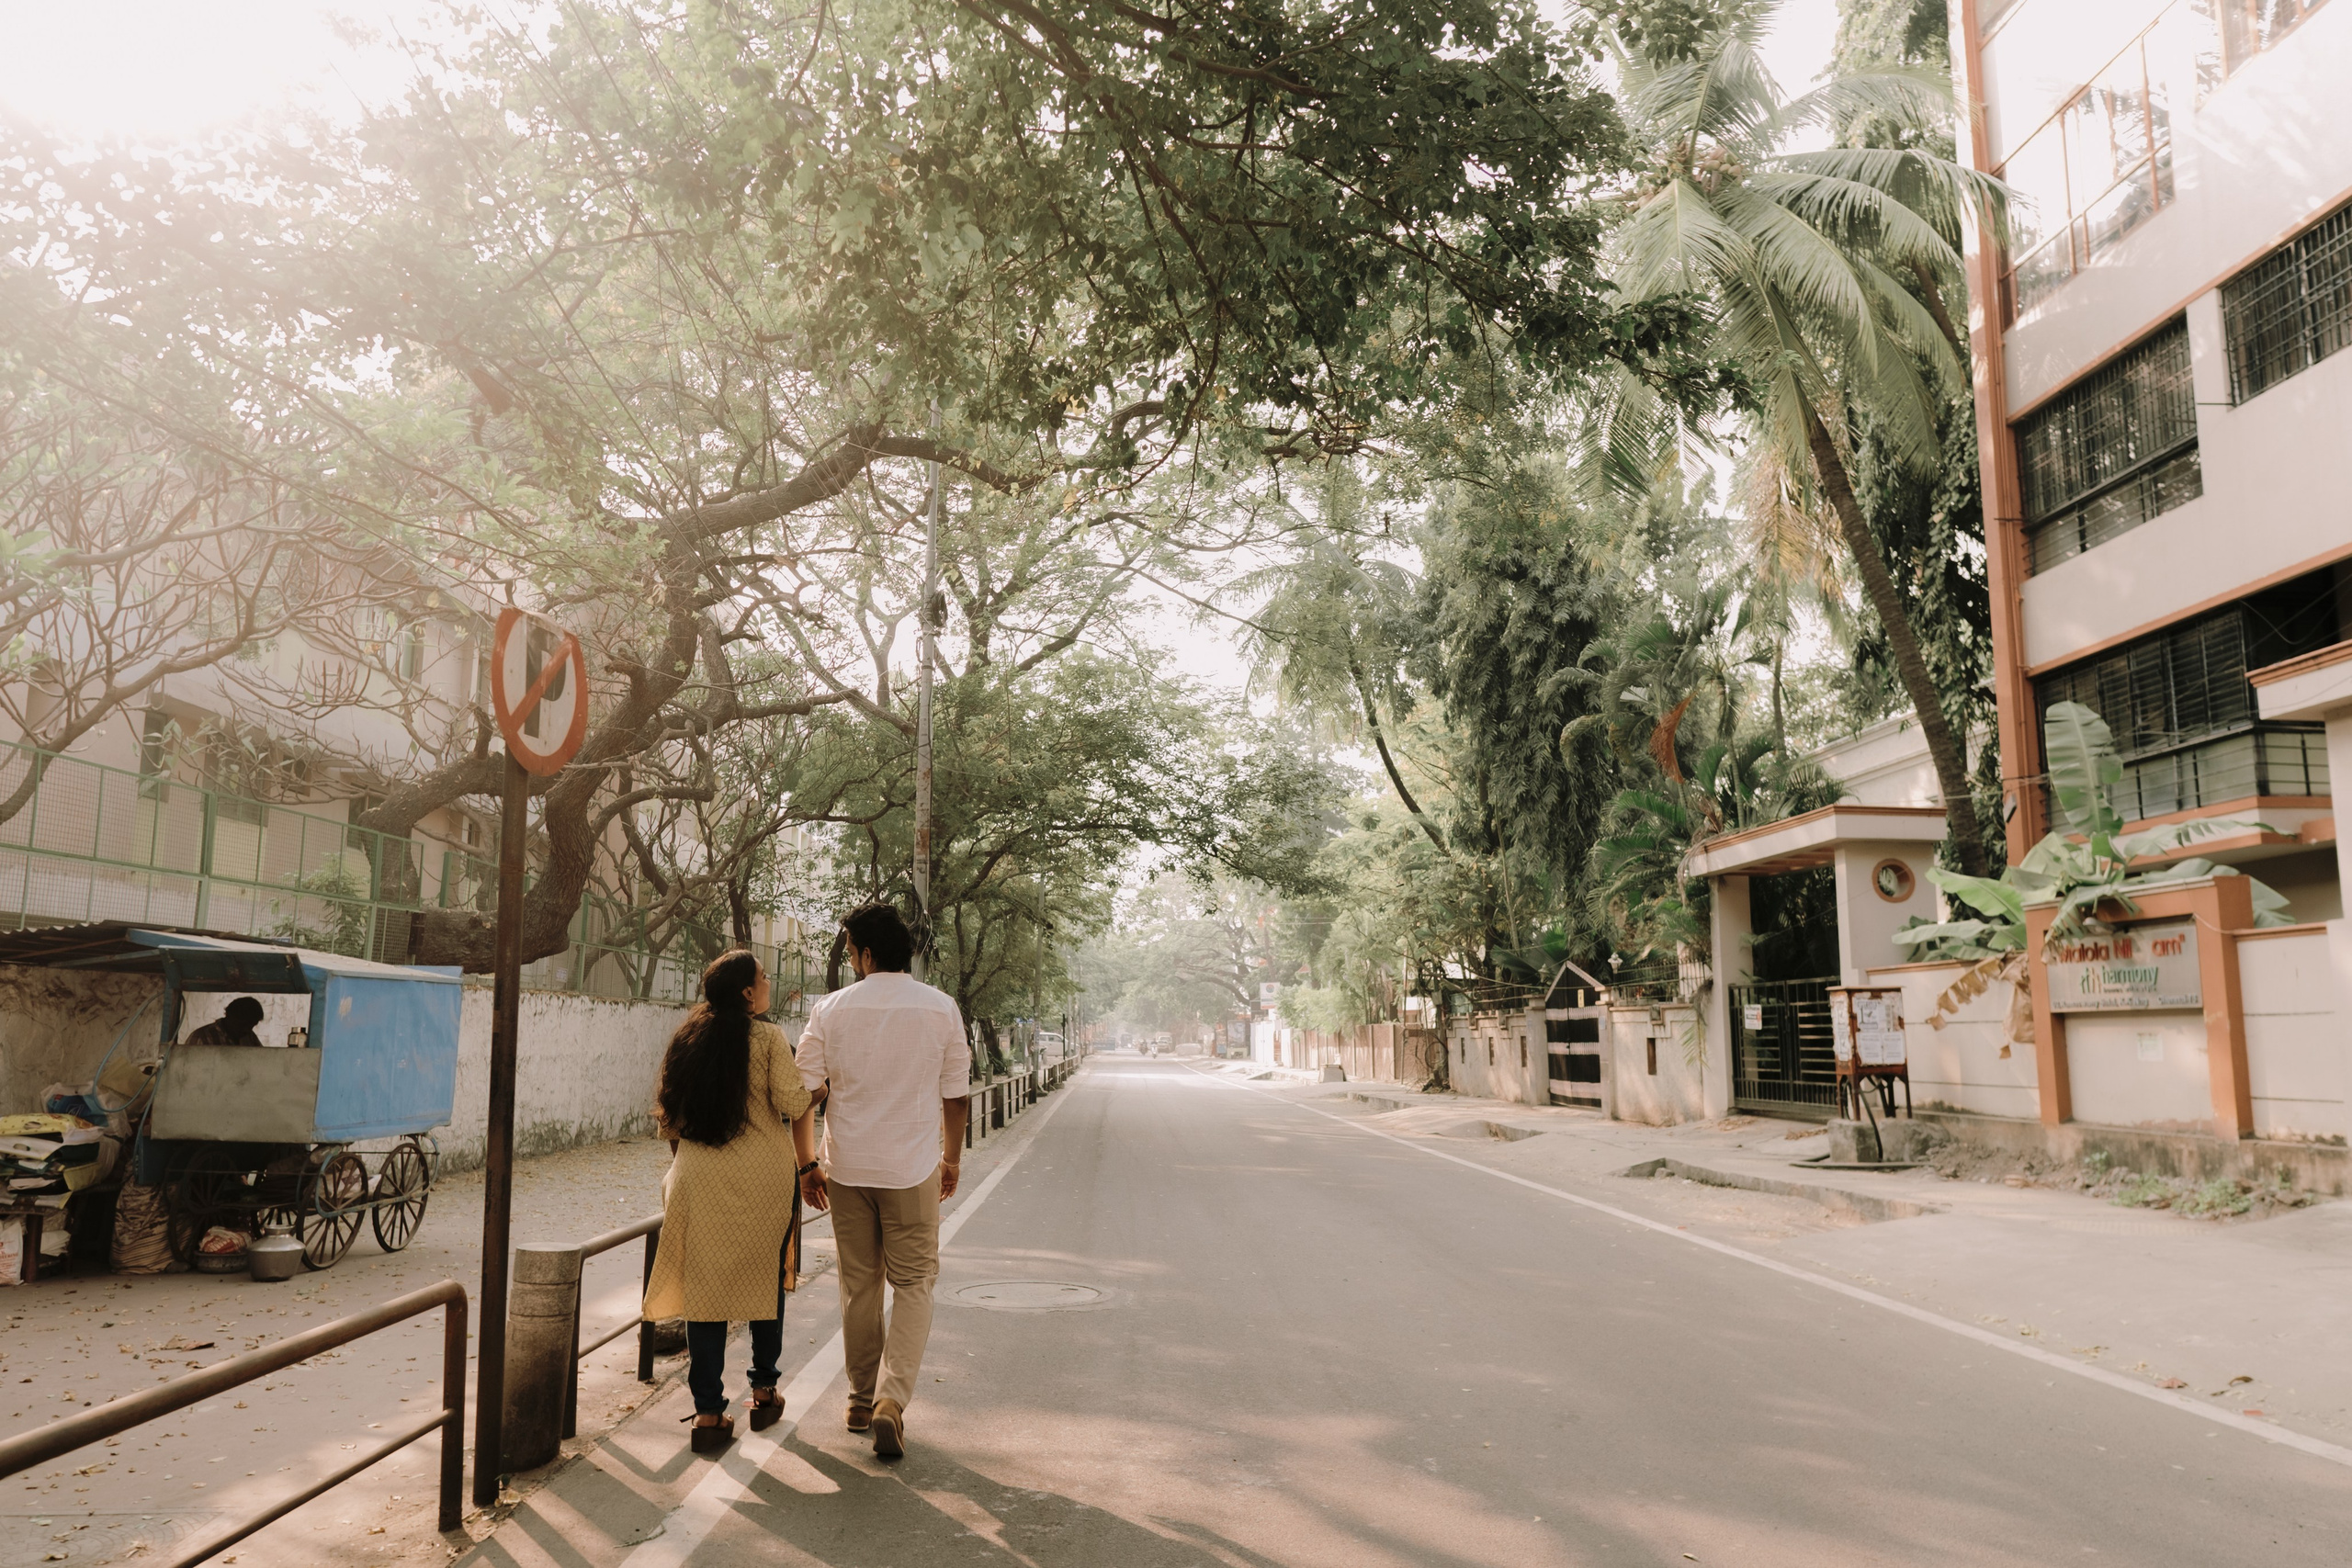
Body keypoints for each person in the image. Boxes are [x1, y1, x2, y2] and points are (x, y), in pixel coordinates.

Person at [796, 902, 971, 1460]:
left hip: (846, 1168)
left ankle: (858, 1396)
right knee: (915, 1283)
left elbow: (804, 1091)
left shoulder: (830, 1009)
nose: (850, 961)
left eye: (850, 951)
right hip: (912, 1168)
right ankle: (891, 1403)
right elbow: (957, 1095)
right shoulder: (942, 1009)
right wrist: (951, 1160)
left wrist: (806, 1163)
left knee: (859, 1283)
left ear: (867, 953)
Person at [642, 951, 821, 1454]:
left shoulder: (687, 1037)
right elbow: (791, 1103)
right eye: (763, 978)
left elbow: (667, 1120)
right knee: (765, 1277)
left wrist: (690, 1163)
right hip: (762, 1179)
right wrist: (822, 1088)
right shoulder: (767, 1037)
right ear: (748, 993)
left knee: (705, 1290)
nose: (767, 984)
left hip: (697, 1179)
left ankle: (708, 1413)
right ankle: (763, 1392)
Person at [186, 997, 265, 1046]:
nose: (247, 1030)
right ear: (230, 1017)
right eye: (243, 1025)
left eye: (251, 1026)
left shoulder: (249, 1037)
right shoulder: (201, 1037)